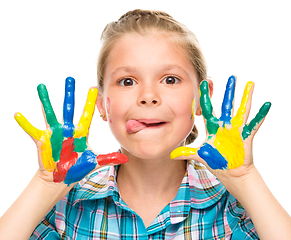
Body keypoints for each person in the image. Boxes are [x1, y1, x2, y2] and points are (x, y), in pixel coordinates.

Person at [0, 9, 290, 239]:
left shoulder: (231, 203)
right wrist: (44, 186)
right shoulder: (69, 201)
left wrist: (245, 179)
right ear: (102, 104)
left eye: (170, 79)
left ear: (203, 98)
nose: (149, 96)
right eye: (127, 81)